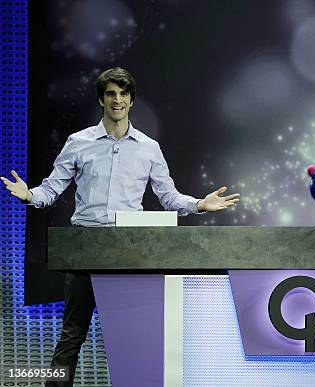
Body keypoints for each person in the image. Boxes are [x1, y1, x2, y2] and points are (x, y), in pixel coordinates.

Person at [1, 67, 239, 387]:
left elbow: (168, 196)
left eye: (124, 94)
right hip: (86, 246)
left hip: (128, 249)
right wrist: (29, 195)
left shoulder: (148, 147)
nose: (118, 100)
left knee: (135, 337)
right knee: (72, 335)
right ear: (102, 99)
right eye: (111, 93)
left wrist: (198, 203)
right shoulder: (79, 142)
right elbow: (51, 189)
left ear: (131, 101)